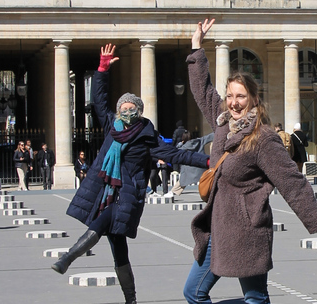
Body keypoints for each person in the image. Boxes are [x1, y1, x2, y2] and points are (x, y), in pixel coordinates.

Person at [184, 19, 317, 304]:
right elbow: (204, 92)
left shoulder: (263, 138)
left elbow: (291, 181)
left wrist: (316, 220)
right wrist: (196, 48)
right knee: (193, 292)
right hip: (218, 228)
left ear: (254, 99)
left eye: (240, 96)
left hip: (248, 229)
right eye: (230, 96)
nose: (233, 102)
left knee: (255, 298)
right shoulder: (221, 124)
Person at [53, 43, 210, 304]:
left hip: (127, 196)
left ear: (139, 111)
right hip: (105, 191)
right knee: (118, 248)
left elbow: (177, 154)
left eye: (131, 108)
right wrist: (102, 70)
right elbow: (98, 101)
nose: (127, 111)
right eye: (123, 108)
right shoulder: (111, 127)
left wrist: (208, 160)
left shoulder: (147, 137)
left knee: (101, 223)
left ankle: (67, 257)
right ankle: (131, 299)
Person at [171, 131, 214, 196]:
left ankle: (173, 191)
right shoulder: (199, 141)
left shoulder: (183, 147)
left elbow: (176, 152)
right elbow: (210, 137)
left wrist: (180, 144)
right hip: (200, 166)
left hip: (189, 167)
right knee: (207, 179)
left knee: (182, 181)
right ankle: (210, 192)